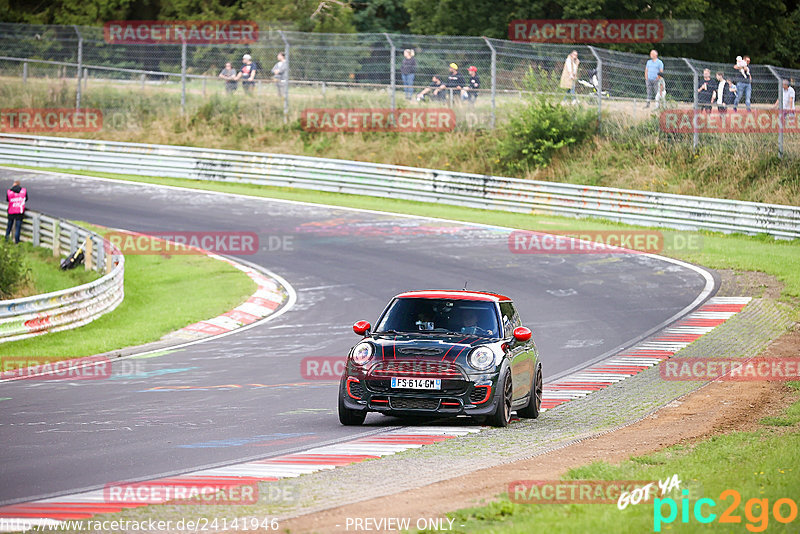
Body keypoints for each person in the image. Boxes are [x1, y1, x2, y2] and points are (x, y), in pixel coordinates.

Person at [5, 180, 27, 244]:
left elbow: (7, 200)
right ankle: (17, 242)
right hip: (19, 211)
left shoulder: (9, 191)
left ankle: (6, 239)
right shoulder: (23, 191)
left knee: (9, 227)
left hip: (11, 210)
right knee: (18, 228)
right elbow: (26, 198)